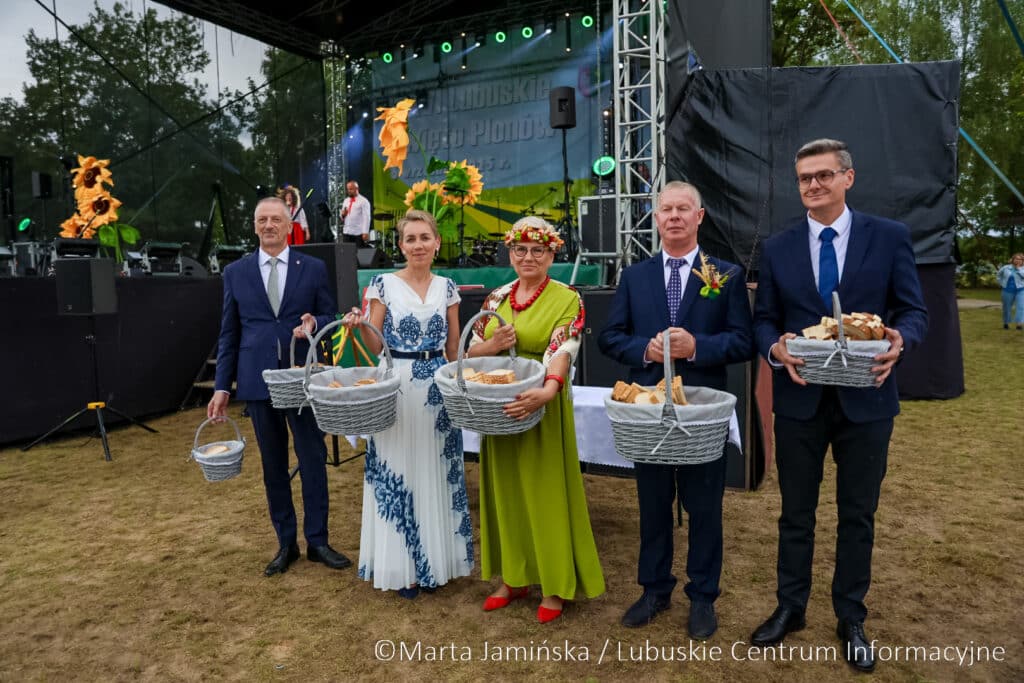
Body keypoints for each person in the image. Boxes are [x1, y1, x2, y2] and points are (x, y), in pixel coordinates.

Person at [751, 138, 928, 672]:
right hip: (800, 401)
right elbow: (764, 319)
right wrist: (775, 347)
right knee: (795, 515)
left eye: (824, 175)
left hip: (868, 402)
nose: (813, 185)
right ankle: (790, 607)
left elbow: (913, 311)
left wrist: (901, 340)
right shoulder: (778, 246)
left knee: (858, 515)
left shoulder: (890, 237)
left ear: (848, 178)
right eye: (805, 178)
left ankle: (850, 614)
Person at [597, 180, 754, 640]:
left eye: (684, 209)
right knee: (652, 506)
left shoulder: (722, 273)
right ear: (656, 216)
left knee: (704, 507)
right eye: (666, 209)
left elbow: (744, 340)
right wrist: (644, 350)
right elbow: (611, 337)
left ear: (700, 217)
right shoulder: (636, 276)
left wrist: (698, 346)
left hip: (701, 414)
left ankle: (703, 596)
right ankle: (654, 589)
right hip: (647, 414)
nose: (674, 217)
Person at [466, 216, 605, 624]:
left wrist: (547, 391)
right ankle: (513, 577)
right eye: (520, 250)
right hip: (499, 403)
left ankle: (556, 585)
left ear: (551, 254)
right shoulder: (496, 298)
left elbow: (563, 347)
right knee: (504, 491)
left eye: (537, 250)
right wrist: (493, 344)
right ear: (511, 253)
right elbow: (472, 351)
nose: (528, 257)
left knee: (545, 493)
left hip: (541, 402)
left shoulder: (567, 298)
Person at [208, 196, 352, 577]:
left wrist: (313, 322)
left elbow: (329, 315)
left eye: (276, 219)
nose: (269, 225)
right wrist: (223, 386)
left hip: (302, 381)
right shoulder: (235, 273)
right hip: (257, 383)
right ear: (254, 226)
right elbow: (228, 333)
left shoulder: (314, 268)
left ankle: (318, 541)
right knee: (273, 466)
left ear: (289, 225)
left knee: (312, 460)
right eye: (262, 220)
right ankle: (286, 543)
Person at [340, 209, 472, 598]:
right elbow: (375, 345)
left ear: (436, 243)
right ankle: (405, 567)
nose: (417, 245)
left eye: (424, 238)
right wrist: (361, 324)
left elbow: (453, 349)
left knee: (433, 471)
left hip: (437, 393)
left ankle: (437, 563)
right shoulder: (382, 284)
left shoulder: (448, 287)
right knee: (399, 471)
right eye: (410, 238)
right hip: (396, 386)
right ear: (400, 246)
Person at [997, 253, 1024, 330]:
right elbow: (999, 275)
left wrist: (1018, 268)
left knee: (1021, 307)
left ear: (1022, 261)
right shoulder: (1006, 267)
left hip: (1021, 290)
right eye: (1016, 259)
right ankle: (1006, 323)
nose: (1018, 260)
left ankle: (1019, 324)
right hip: (1007, 290)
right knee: (1007, 307)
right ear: (1013, 260)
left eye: (1020, 259)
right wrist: (1001, 283)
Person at [340, 180, 371, 244]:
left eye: (351, 189)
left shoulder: (364, 201)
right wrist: (343, 215)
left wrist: (365, 232)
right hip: (347, 232)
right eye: (348, 189)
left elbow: (366, 217)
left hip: (358, 233)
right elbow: (342, 216)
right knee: (347, 253)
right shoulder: (346, 201)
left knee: (358, 252)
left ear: (357, 189)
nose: (349, 191)